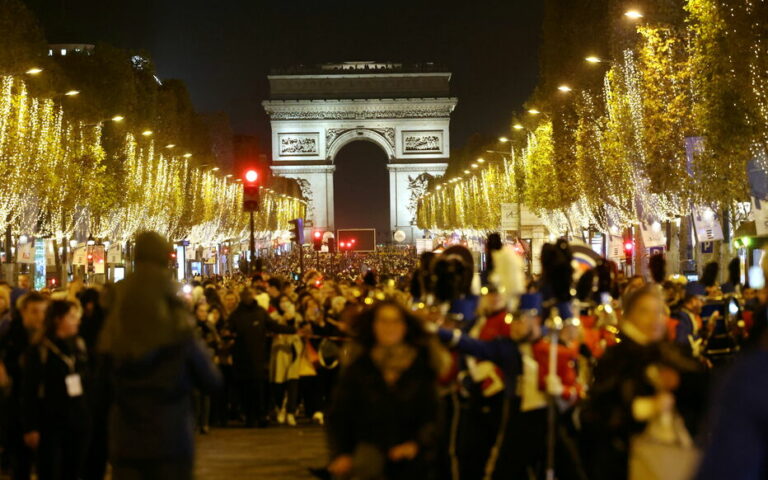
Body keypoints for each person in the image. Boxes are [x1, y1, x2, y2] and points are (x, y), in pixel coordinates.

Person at [98, 231, 222, 480]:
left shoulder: (116, 322)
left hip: (126, 440)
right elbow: (211, 380)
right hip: (170, 437)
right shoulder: (175, 320)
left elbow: (99, 388)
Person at [581, 285, 703, 480]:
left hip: (673, 458)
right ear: (629, 317)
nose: (653, 319)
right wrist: (644, 408)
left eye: (658, 311)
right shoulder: (617, 358)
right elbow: (600, 414)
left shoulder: (670, 354)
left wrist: (680, 383)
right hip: (630, 461)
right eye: (644, 311)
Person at [327, 301, 441, 480]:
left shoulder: (420, 367)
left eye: (396, 321)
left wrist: (417, 444)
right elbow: (340, 413)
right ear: (373, 325)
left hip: (411, 462)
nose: (390, 327)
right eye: (383, 321)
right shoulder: (360, 366)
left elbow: (432, 414)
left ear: (404, 326)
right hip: (367, 458)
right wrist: (342, 453)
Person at [21, 300, 90, 480]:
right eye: (72, 317)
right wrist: (30, 426)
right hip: (50, 423)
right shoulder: (40, 350)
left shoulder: (79, 345)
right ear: (58, 319)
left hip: (76, 421)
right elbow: (29, 389)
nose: (77, 321)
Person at [229, 287, 302, 427]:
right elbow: (229, 329)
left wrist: (292, 330)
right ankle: (250, 417)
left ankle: (260, 415)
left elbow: (273, 326)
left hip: (258, 357)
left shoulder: (260, 312)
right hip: (242, 358)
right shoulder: (237, 314)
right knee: (245, 389)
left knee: (258, 388)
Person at [0, 292, 47, 480]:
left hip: (44, 408)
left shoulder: (50, 337)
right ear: (23, 312)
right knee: (20, 461)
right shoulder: (11, 336)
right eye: (34, 311)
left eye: (44, 311)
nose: (40, 316)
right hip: (16, 407)